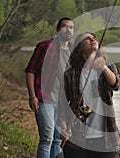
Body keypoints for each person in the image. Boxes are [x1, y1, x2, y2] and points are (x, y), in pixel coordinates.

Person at [59, 32, 120, 158]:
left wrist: (103, 66)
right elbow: (62, 104)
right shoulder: (70, 74)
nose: (92, 39)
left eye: (94, 37)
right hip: (76, 137)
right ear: (79, 47)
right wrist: (64, 125)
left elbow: (116, 85)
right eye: (87, 39)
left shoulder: (108, 67)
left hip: (104, 136)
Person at [25, 17, 74, 158]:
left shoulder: (72, 51)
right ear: (58, 30)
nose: (68, 30)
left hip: (62, 103)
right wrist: (32, 96)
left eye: (71, 27)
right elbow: (30, 71)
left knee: (57, 140)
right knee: (47, 138)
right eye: (65, 26)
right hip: (44, 99)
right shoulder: (45, 47)